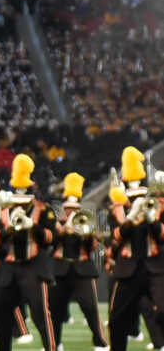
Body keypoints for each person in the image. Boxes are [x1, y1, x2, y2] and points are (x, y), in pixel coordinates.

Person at [0, 154, 57, 351]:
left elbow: (50, 239)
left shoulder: (43, 210)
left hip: (33, 268)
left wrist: (32, 227)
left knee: (39, 313)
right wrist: (6, 231)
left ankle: (51, 348)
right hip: (10, 269)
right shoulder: (4, 212)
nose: (19, 206)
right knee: (0, 312)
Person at [108, 147, 164, 351]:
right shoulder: (116, 209)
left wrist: (151, 220)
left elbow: (162, 234)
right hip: (128, 270)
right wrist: (131, 220)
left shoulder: (158, 206)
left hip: (156, 267)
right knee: (117, 320)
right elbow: (116, 237)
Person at [49, 173, 108, 351]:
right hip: (59, 269)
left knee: (90, 307)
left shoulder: (86, 222)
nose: (71, 212)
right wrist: (62, 231)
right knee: (55, 310)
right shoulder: (56, 223)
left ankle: (100, 342)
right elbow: (49, 244)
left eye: (74, 209)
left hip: (82, 269)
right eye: (68, 209)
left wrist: (85, 233)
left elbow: (92, 247)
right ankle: (54, 344)